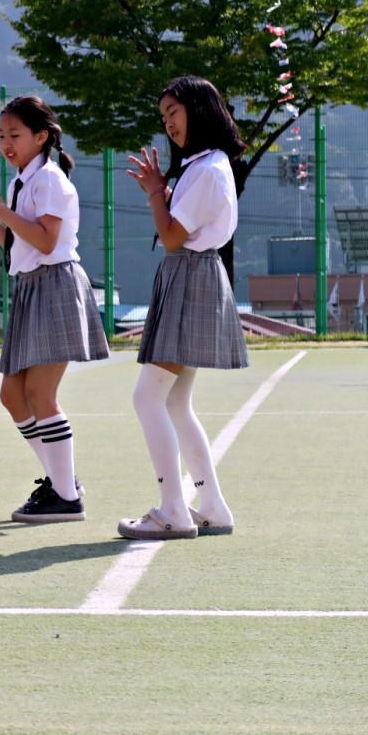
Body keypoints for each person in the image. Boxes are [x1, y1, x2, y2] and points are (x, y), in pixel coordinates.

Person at [0, 96, 109, 523]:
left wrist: (3, 213)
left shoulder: (49, 180)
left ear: (41, 136)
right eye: (1, 135)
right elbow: (21, 248)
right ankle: (61, 482)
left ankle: (66, 497)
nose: (6, 143)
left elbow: (47, 242)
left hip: (56, 286)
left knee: (40, 395)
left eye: (15, 135)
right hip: (32, 288)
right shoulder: (21, 182)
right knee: (13, 395)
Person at [120, 75, 248, 540]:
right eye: (164, 117)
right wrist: (162, 193)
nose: (169, 124)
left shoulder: (209, 169)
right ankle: (211, 507)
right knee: (174, 400)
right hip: (192, 274)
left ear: (201, 109)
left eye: (174, 112)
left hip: (190, 275)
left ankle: (174, 509)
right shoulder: (204, 164)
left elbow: (173, 236)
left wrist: (157, 192)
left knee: (147, 398)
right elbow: (179, 229)